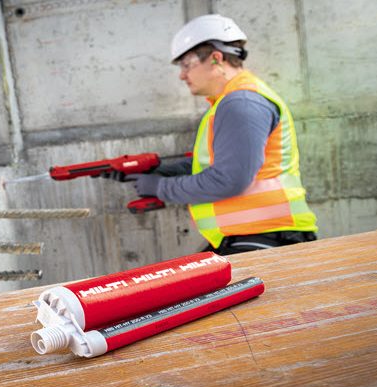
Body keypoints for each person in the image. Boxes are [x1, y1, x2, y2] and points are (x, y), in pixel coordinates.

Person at [125, 14, 318, 255]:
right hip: (260, 237)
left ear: (216, 58)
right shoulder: (233, 100)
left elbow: (228, 179)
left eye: (187, 64)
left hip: (268, 240)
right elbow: (221, 164)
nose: (182, 75)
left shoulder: (241, 103)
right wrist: (158, 170)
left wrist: (160, 186)